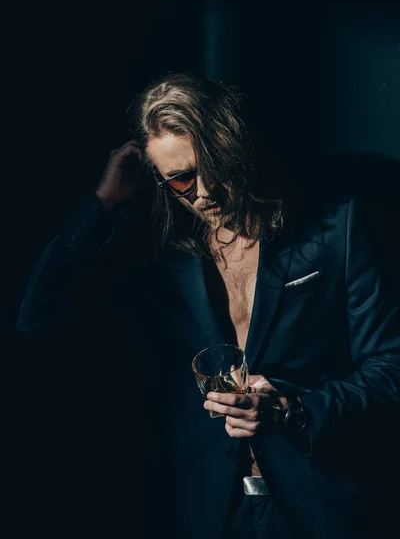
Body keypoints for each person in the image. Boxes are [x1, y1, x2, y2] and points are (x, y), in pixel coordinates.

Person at [16, 72, 400, 539]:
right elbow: (35, 318)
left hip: (316, 503)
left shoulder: (334, 229)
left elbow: (389, 369)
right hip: (200, 510)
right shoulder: (156, 254)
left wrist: (293, 410)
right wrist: (102, 204)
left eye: (214, 166)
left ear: (236, 146)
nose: (204, 191)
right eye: (179, 179)